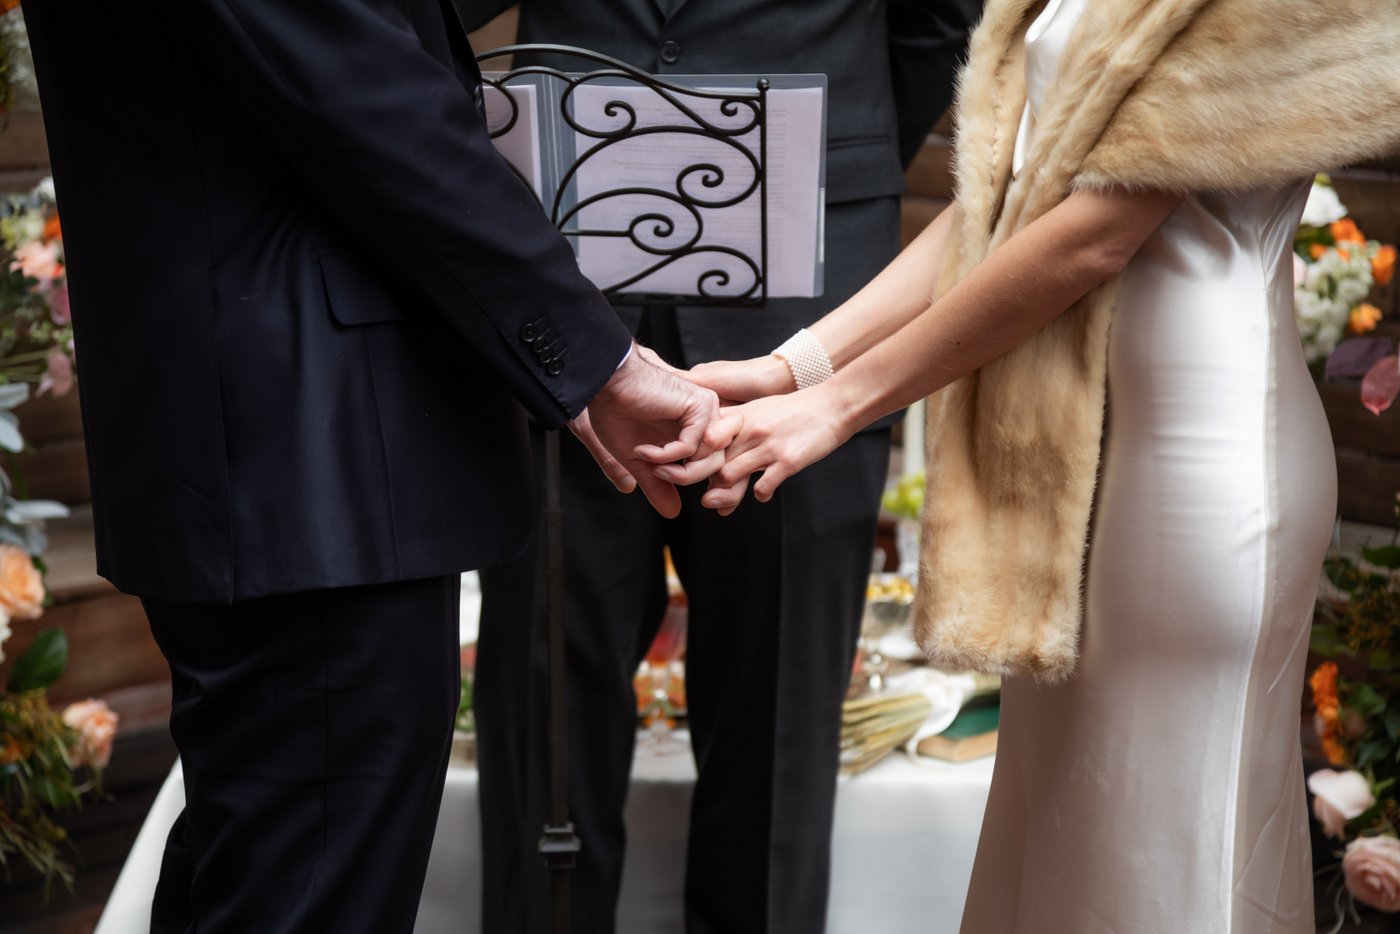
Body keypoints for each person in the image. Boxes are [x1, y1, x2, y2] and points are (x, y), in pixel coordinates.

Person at [662, 0, 1400, 929]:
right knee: (1061, 843)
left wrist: (840, 406)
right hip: (1066, 463)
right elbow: (1004, 200)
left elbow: (1095, 231)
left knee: (1163, 850)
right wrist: (796, 367)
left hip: (1196, 459)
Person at [21, 1, 718, 931]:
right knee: (311, 887)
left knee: (263, 871)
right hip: (308, 452)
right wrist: (599, 361)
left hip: (258, 439)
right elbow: (369, 96)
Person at [458, 2, 980, 932]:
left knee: (778, 734)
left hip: (813, 288)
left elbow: (937, 23)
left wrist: (812, 159)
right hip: (565, 288)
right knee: (542, 720)